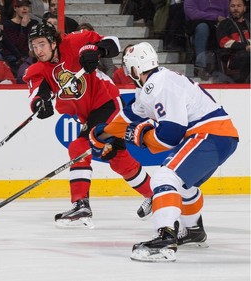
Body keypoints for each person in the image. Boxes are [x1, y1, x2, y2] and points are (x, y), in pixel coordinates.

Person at [89, 42, 238, 262]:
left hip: (209, 134)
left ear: (133, 69)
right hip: (220, 136)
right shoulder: (152, 85)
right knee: (184, 186)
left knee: (164, 177)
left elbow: (170, 136)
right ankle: (193, 231)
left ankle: (165, 238)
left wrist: (139, 136)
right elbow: (129, 117)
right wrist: (103, 134)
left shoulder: (159, 85)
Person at [23, 22, 154, 228]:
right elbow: (38, 94)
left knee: (79, 146)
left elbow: (113, 43)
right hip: (89, 115)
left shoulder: (74, 42)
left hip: (106, 103)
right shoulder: (38, 70)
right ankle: (157, 195)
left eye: (42, 44)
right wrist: (41, 104)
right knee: (117, 158)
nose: (38, 50)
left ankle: (81, 203)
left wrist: (97, 51)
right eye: (34, 46)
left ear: (53, 43)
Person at [184, 0, 229, 80]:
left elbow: (229, 12)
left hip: (221, 22)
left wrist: (225, 21)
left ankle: (227, 65)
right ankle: (201, 66)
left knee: (227, 28)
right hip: (200, 21)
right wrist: (216, 17)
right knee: (202, 28)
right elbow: (192, 13)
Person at [216, 0, 250, 83]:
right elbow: (223, 42)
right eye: (233, 6)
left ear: (244, 8)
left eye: (239, 6)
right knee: (247, 56)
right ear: (229, 8)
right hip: (233, 57)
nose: (235, 8)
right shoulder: (224, 24)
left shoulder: (249, 23)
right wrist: (245, 46)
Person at [1, 0, 38, 75]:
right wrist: (23, 27)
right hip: (14, 58)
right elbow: (17, 46)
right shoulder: (8, 25)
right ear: (15, 8)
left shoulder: (34, 23)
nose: (24, 8)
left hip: (30, 57)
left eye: (26, 6)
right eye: (21, 6)